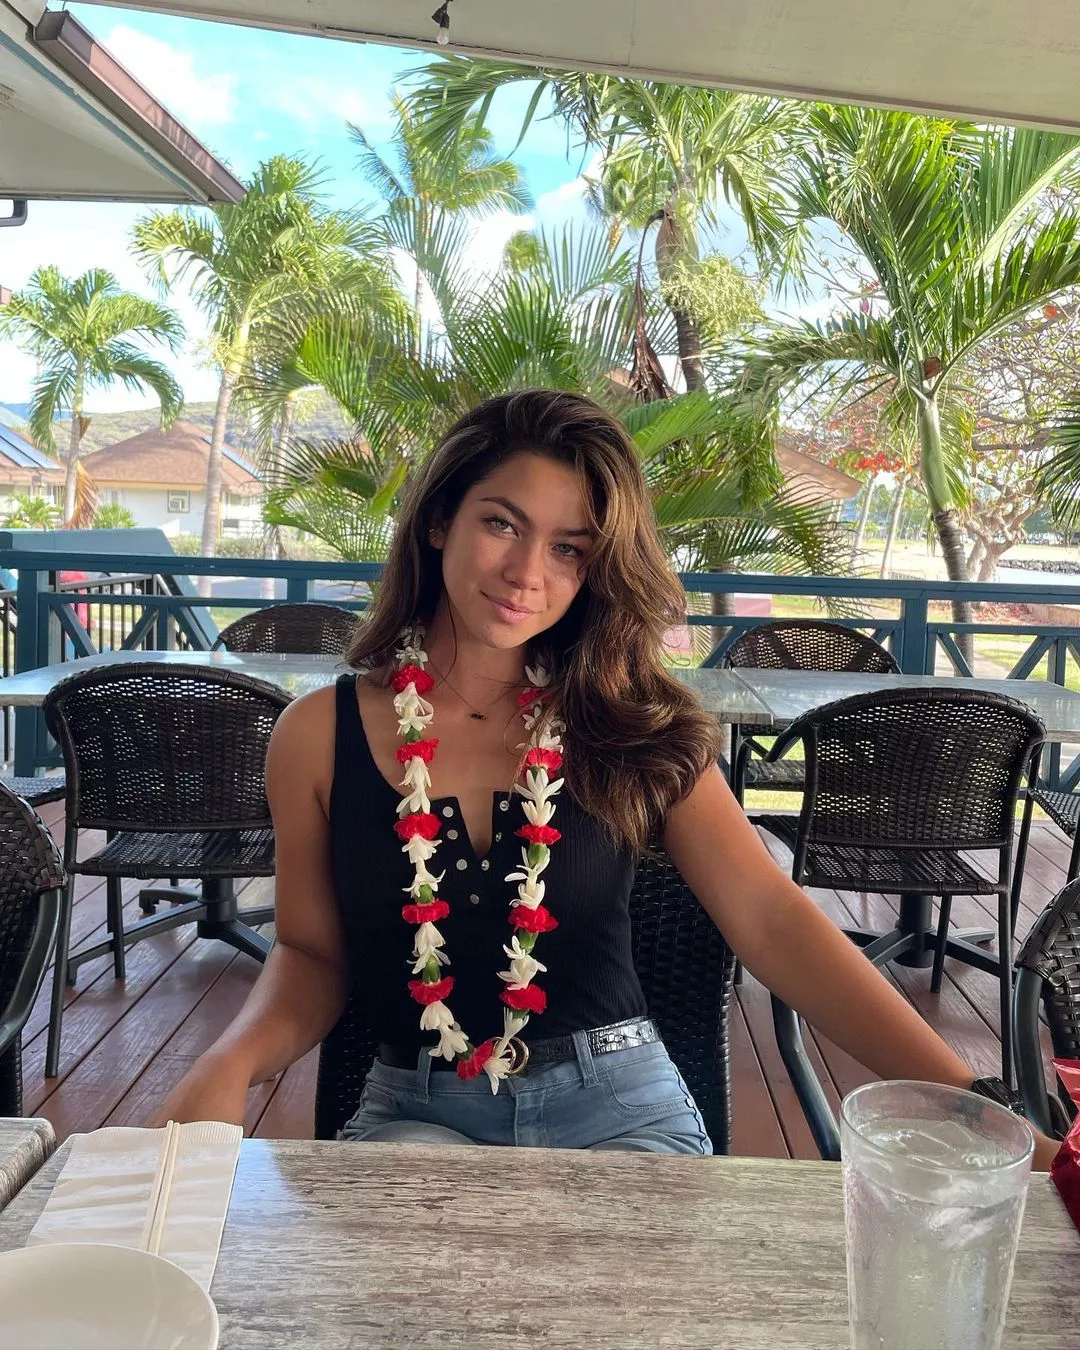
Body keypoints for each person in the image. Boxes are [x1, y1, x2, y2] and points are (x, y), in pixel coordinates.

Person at [152, 389, 1057, 1167]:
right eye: (502, 523)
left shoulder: (631, 726)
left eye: (568, 550)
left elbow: (773, 922)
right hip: (417, 1110)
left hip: (620, 1110)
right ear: (440, 520)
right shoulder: (320, 735)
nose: (525, 573)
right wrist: (229, 1062)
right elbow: (313, 955)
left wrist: (973, 1100)